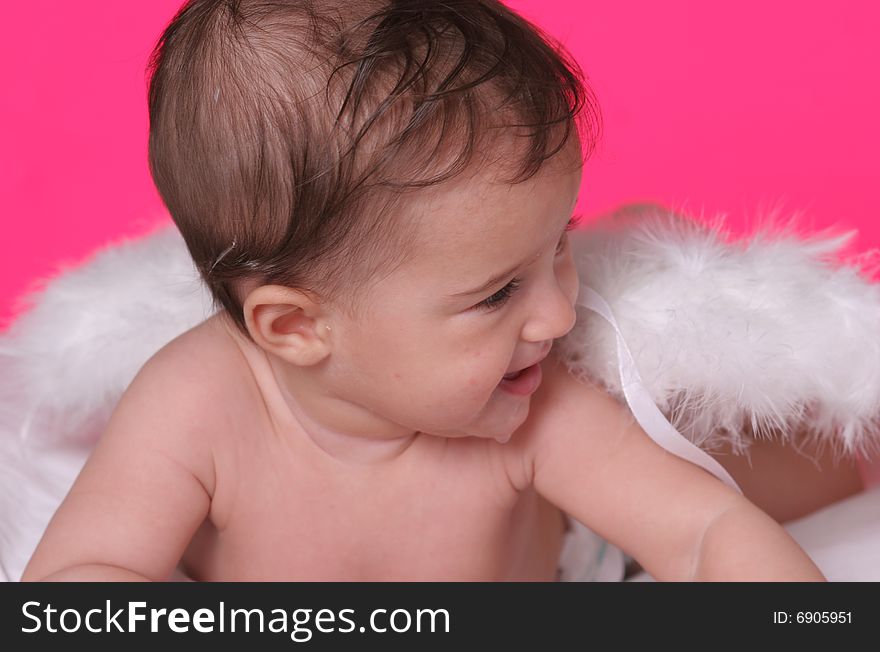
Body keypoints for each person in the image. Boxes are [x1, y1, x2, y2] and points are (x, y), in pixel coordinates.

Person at [22, 0, 824, 582]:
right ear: (297, 328)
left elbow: (703, 528)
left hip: (573, 555)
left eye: (562, 245)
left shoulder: (529, 411)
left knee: (792, 468)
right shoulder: (197, 406)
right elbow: (82, 578)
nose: (556, 313)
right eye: (496, 293)